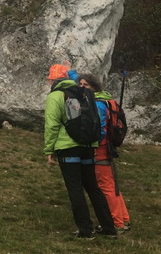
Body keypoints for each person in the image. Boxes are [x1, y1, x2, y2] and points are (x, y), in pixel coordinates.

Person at [43, 63, 118, 239]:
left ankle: (85, 230)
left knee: (75, 188)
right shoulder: (85, 92)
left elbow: (52, 124)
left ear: (52, 80)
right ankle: (109, 228)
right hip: (87, 146)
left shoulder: (56, 95)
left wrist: (49, 149)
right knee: (92, 186)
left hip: (68, 147)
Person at [78, 73, 131, 232]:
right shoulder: (107, 100)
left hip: (99, 148)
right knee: (112, 185)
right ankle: (124, 219)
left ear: (93, 87)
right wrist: (69, 71)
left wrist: (92, 144)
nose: (81, 87)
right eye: (80, 84)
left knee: (105, 186)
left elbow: (99, 128)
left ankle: (116, 222)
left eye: (85, 85)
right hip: (107, 147)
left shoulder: (98, 105)